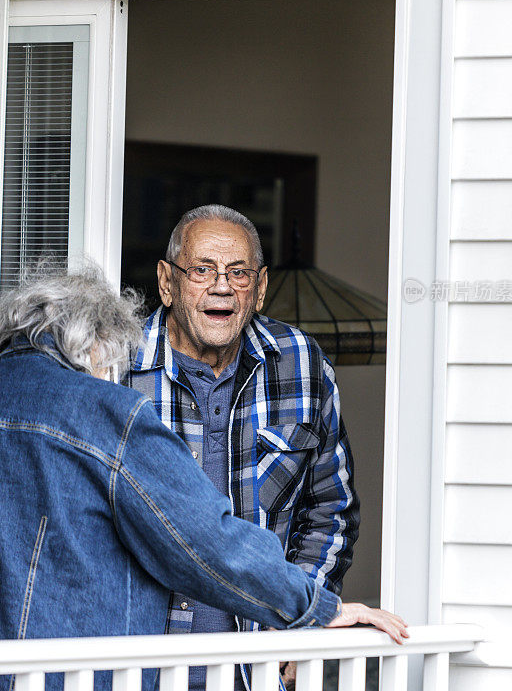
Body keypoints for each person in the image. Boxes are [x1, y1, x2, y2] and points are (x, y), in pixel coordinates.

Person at [0, 266, 407, 691]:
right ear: (93, 345)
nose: (109, 376)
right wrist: (315, 606)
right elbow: (203, 540)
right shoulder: (106, 411)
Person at [127, 205, 361, 690]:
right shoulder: (112, 366)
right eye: (202, 270)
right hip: (136, 664)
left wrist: (301, 616)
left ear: (259, 289)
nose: (221, 286)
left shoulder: (300, 363)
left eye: (238, 273)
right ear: (167, 283)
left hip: (254, 669)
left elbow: (330, 510)